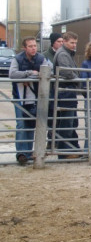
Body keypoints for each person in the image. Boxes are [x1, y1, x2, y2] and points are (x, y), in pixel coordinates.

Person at [9, 36, 51, 165]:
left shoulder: (41, 58)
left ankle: (29, 153)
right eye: (30, 46)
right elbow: (12, 74)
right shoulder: (17, 59)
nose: (33, 48)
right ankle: (21, 154)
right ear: (24, 48)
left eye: (35, 46)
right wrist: (28, 73)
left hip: (36, 98)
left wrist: (34, 75)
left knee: (32, 125)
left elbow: (48, 71)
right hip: (20, 98)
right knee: (21, 124)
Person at [53, 31, 81, 159]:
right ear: (64, 42)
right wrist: (79, 80)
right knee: (67, 122)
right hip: (65, 92)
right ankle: (64, 152)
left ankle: (72, 148)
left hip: (68, 91)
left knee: (71, 121)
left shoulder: (67, 53)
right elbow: (67, 72)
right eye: (71, 43)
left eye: (75, 43)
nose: (74, 45)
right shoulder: (63, 54)